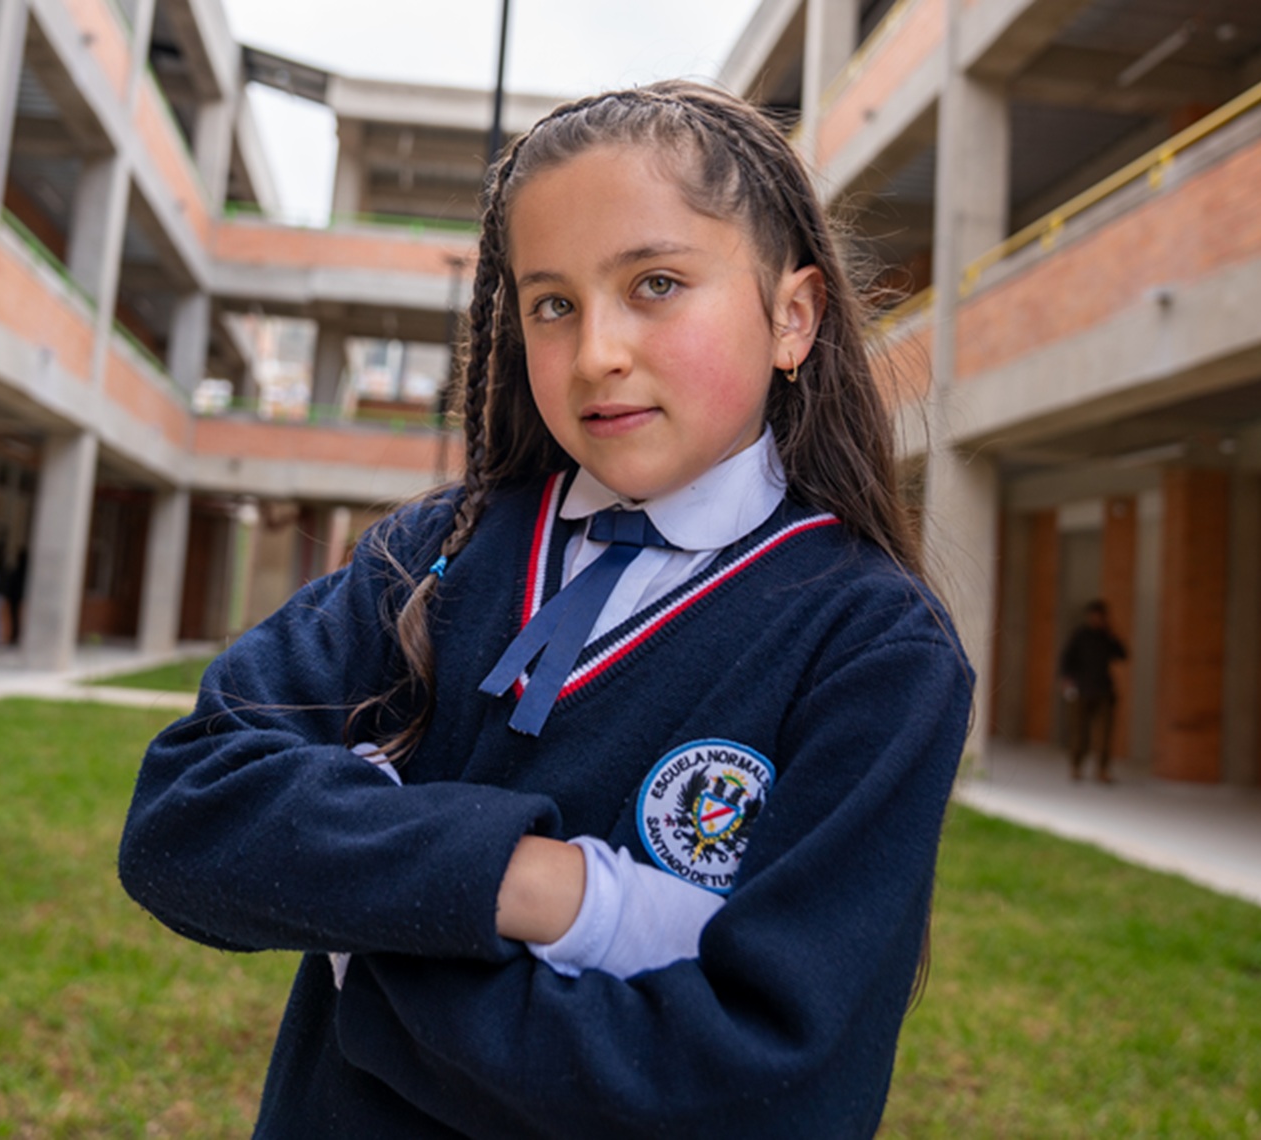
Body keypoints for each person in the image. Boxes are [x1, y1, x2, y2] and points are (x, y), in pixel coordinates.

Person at [118, 81, 974, 1139]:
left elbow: (764, 1091)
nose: (597, 351)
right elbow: (183, 818)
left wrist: (367, 937)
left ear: (790, 317)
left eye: (655, 283)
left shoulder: (872, 648)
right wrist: (558, 893)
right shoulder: (434, 551)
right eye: (551, 303)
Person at [1058, 599, 1127, 783]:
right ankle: (1076, 766)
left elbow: (1122, 654)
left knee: (1104, 733)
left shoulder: (1107, 637)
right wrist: (1066, 680)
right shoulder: (1080, 635)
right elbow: (1066, 659)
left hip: (1103, 691)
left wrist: (1113, 634)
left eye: (1101, 616)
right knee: (1079, 732)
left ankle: (1102, 769)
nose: (1098, 619)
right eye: (1095, 616)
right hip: (1081, 690)